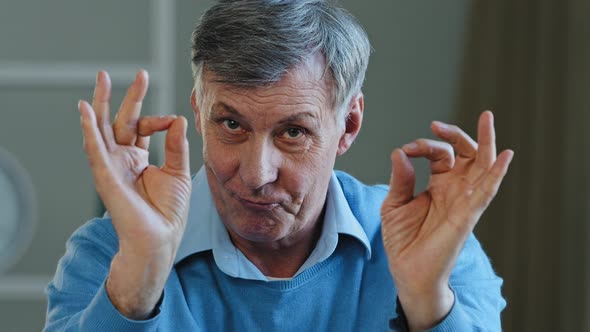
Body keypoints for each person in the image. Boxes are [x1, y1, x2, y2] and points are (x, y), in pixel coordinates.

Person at [44, 0, 513, 331]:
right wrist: (136, 285)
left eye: (293, 132)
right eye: (231, 124)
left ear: (347, 125)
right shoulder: (109, 253)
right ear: (198, 113)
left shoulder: (436, 249)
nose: (256, 173)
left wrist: (426, 302)